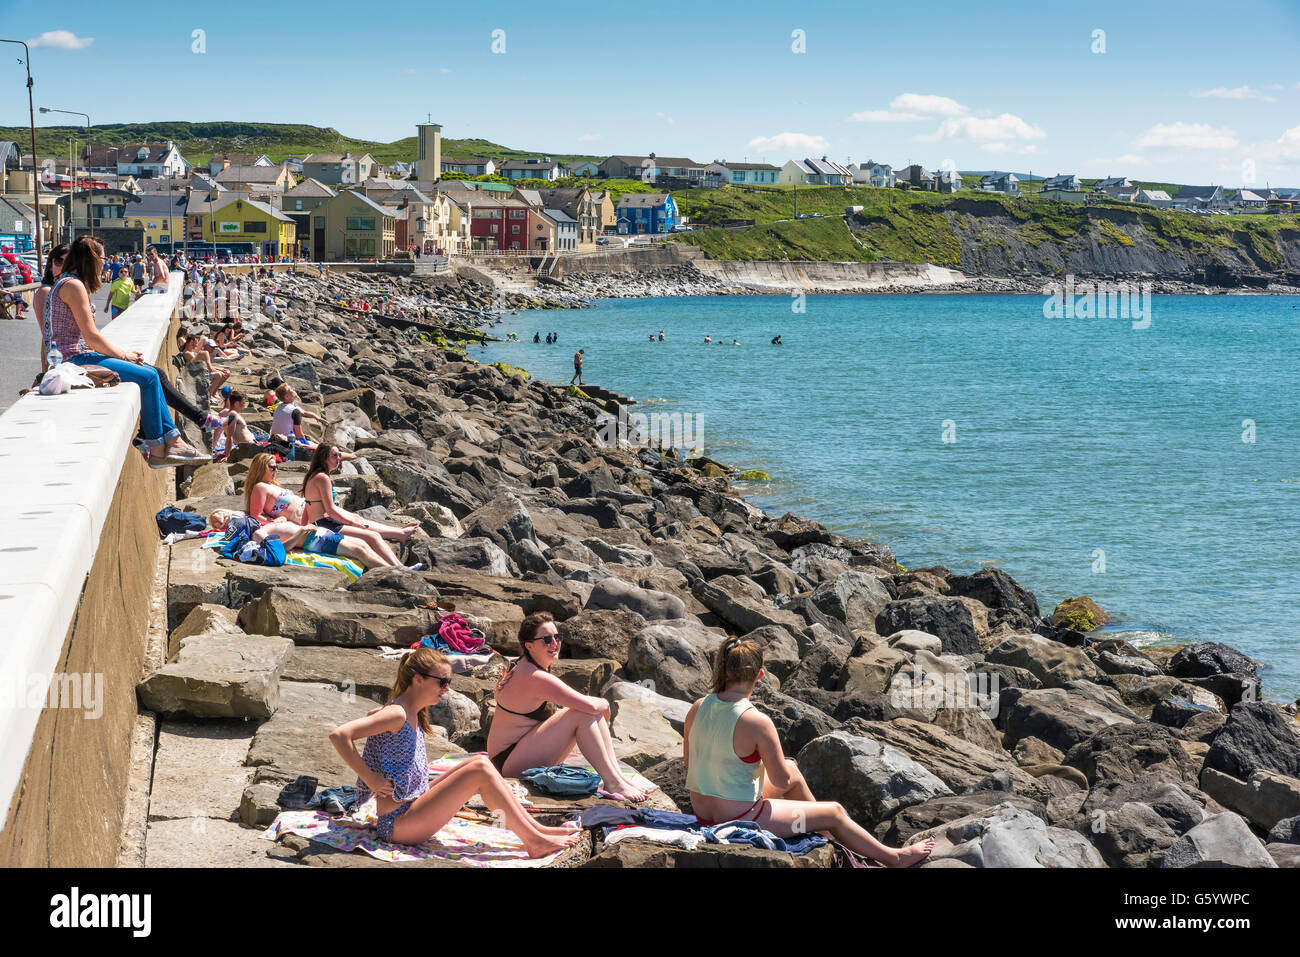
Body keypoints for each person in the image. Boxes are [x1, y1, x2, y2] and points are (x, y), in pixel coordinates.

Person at [684, 637, 934, 867]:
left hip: (704, 812)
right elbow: (780, 781)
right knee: (834, 811)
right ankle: (894, 857)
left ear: (724, 668)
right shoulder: (756, 721)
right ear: (759, 675)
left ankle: (826, 837)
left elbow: (689, 763)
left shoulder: (698, 707)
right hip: (739, 818)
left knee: (792, 767)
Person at [329, 647, 581, 854]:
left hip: (411, 809)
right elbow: (340, 735)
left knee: (480, 761)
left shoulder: (406, 710)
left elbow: (376, 724)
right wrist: (371, 779)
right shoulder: (397, 713)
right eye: (442, 681)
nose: (447, 688)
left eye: (448, 681)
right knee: (481, 770)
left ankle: (537, 831)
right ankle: (534, 840)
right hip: (397, 823)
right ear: (418, 680)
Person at [40, 237, 208, 466]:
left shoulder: (66, 282)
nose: (104, 263)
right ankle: (159, 450)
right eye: (101, 258)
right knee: (148, 378)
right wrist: (123, 355)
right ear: (91, 259)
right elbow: (91, 336)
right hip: (74, 361)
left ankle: (174, 442)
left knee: (152, 373)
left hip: (75, 357)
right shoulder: (73, 285)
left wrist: (122, 355)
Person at [486, 612, 648, 801]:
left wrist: (597, 709)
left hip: (513, 753)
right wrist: (605, 704)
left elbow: (504, 697)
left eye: (557, 637)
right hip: (509, 762)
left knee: (586, 713)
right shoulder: (536, 677)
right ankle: (614, 782)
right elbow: (587, 704)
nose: (555, 643)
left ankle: (617, 778)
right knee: (582, 713)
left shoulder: (522, 665)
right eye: (547, 640)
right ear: (529, 646)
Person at [302, 443, 418, 564]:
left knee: (357, 518)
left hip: (323, 522)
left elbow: (308, 504)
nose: (338, 459)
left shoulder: (315, 475)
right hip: (324, 525)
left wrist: (302, 527)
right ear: (323, 458)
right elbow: (330, 510)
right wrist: (351, 523)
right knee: (373, 537)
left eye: (339, 455)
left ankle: (399, 535)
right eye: (334, 455)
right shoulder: (322, 478)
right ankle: (399, 568)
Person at [210, 505, 409, 570]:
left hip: (317, 533)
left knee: (363, 545)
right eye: (220, 523)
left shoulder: (260, 525)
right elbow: (280, 550)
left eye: (224, 516)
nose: (224, 520)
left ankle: (396, 570)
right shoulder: (257, 533)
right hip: (314, 539)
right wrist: (300, 532)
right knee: (360, 550)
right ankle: (394, 572)